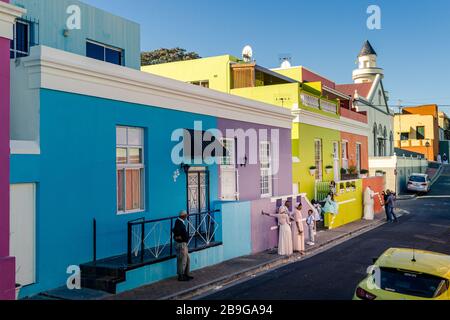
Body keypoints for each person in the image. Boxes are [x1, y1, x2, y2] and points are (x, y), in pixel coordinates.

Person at [172, 210, 193, 281]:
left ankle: (186, 274)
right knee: (182, 260)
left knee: (187, 260)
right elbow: (175, 232)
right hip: (181, 244)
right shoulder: (179, 223)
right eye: (186, 215)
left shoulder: (179, 222)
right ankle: (181, 276)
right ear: (183, 216)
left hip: (183, 244)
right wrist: (178, 237)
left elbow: (175, 231)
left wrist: (179, 237)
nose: (187, 216)